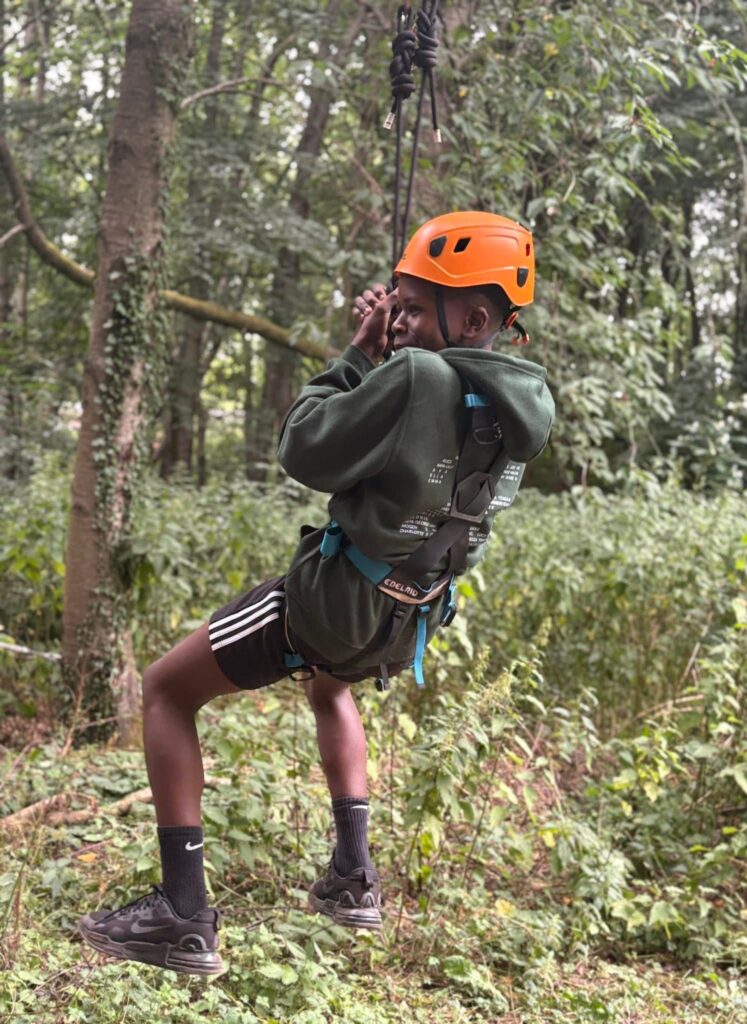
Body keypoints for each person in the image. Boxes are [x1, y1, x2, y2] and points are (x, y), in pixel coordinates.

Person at [78, 211, 555, 976]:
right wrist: (390, 348)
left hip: (335, 602)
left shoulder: (414, 375)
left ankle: (182, 915)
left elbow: (305, 447)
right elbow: (412, 468)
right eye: (394, 304)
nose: (396, 320)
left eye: (412, 304)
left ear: (471, 315)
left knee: (167, 690)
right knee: (331, 689)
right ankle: (352, 879)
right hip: (407, 617)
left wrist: (357, 355)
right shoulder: (518, 404)